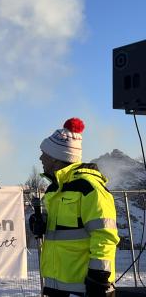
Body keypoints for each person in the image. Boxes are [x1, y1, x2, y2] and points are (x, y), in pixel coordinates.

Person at [30, 117, 119, 297]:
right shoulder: (54, 189)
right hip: (56, 285)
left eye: (44, 154)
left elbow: (104, 236)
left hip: (85, 288)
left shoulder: (89, 188)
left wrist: (99, 277)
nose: (41, 158)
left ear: (56, 158)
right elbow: (64, 228)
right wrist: (41, 223)